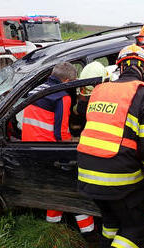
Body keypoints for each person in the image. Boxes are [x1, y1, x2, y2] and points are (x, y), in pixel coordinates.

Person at [77, 44, 144, 248]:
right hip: (119, 179)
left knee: (111, 223)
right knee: (137, 226)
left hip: (86, 175)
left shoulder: (99, 90)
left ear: (120, 67)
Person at [21, 62, 95, 238]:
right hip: (50, 150)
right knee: (74, 190)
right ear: (68, 81)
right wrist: (72, 146)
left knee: (54, 188)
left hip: (29, 147)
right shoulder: (61, 96)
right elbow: (60, 132)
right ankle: (89, 233)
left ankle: (53, 227)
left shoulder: (37, 89)